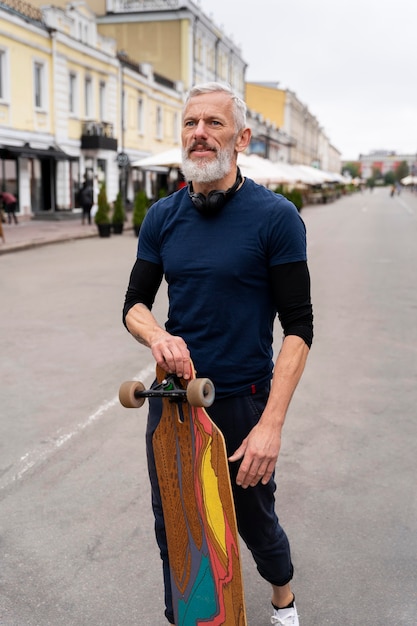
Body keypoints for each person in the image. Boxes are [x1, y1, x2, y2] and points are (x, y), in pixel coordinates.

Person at [122, 82, 313, 626]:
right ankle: (189, 615)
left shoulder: (276, 217)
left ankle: (284, 598)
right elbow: (134, 304)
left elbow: (299, 326)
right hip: (176, 402)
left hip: (243, 401)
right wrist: (157, 336)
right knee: (177, 525)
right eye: (190, 124)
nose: (199, 134)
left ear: (242, 137)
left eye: (214, 123)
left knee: (254, 521)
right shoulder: (162, 216)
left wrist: (271, 425)